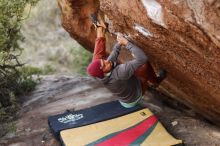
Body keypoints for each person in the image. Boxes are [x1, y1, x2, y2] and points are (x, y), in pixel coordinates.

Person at [87, 14, 166, 108]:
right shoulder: (119, 73)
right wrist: (126, 43)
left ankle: (100, 28)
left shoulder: (99, 68)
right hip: (133, 96)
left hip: (124, 92)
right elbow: (142, 58)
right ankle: (155, 82)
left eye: (103, 61)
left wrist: (118, 44)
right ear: (103, 73)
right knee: (144, 66)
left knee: (98, 57)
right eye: (104, 65)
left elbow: (106, 58)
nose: (106, 61)